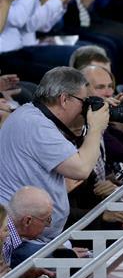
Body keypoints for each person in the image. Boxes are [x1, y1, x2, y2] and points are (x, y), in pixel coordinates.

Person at [0, 67, 109, 250]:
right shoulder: (36, 125)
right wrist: (96, 128)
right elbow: (81, 169)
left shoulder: (30, 115)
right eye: (83, 102)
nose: (84, 109)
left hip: (35, 236)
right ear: (64, 99)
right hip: (21, 239)